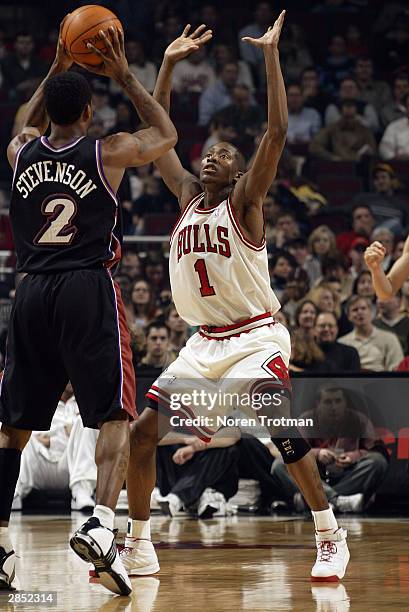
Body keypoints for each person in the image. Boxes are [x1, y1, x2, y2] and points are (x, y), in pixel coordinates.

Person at [123, 15, 350, 584]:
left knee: (279, 420)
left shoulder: (246, 201)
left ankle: (328, 532)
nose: (210, 156)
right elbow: (159, 133)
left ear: (237, 171)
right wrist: (168, 65)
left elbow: (275, 132)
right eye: (208, 153)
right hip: (203, 343)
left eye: (223, 155)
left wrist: (272, 55)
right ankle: (138, 543)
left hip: (254, 335)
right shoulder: (184, 195)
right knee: (141, 432)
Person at [0, 23, 177, 595]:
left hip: (27, 292)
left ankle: (0, 547)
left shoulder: (23, 152)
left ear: (49, 107)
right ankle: (101, 527)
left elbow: (20, 124)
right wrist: (124, 72)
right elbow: (167, 133)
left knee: (14, 429)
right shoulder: (108, 151)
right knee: (114, 415)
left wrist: (56, 65)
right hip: (84, 287)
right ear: (90, 111)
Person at [271, 385, 388, 513]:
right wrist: (317, 454)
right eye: (328, 402)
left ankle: (314, 502)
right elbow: (293, 450)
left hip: (347, 475)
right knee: (279, 464)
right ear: (318, 404)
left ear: (345, 403)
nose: (333, 407)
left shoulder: (359, 419)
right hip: (315, 476)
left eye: (338, 401)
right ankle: (337, 501)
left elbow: (377, 449)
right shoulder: (306, 419)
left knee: (377, 462)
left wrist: (353, 456)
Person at [338, 296, 403, 371]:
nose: (360, 312)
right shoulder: (342, 343)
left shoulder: (389, 338)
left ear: (371, 312)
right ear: (349, 317)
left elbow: (396, 368)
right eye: (355, 310)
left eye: (363, 308)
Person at [309, 99, 376, 161]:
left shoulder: (365, 131)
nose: (349, 121)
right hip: (338, 166)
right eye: (346, 117)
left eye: (352, 117)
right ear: (341, 115)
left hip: (359, 166)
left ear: (357, 116)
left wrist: (367, 154)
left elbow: (372, 149)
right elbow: (314, 146)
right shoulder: (332, 129)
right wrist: (331, 157)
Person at [379, 93, 409, 161]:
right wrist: (395, 158)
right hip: (399, 166)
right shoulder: (393, 127)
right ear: (405, 108)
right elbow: (384, 149)